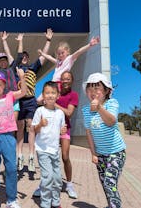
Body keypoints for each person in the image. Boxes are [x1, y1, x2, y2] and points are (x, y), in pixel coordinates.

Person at [10, 28, 53, 172]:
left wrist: (48, 40)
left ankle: (31, 156)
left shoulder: (32, 68)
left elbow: (43, 58)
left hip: (31, 101)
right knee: (20, 128)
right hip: (19, 101)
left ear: (28, 59)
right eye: (22, 56)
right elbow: (11, 56)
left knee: (32, 126)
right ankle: (19, 155)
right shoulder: (16, 69)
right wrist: (12, 41)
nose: (23, 58)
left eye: (25, 56)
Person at [82, 72, 126, 208]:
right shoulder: (85, 110)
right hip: (101, 154)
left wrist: (99, 108)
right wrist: (93, 153)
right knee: (105, 184)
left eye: (97, 88)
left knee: (109, 183)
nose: (93, 92)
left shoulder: (112, 103)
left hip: (116, 152)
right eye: (89, 88)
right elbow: (89, 133)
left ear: (106, 91)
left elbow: (111, 121)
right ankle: (111, 204)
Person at [0, 69, 26, 208]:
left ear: (4, 85)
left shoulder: (10, 96)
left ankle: (11, 200)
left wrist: (22, 77)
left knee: (11, 168)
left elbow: (24, 92)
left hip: (8, 136)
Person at [32, 81, 67, 208]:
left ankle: (56, 202)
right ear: (43, 95)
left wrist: (63, 131)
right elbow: (34, 129)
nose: (50, 95)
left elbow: (62, 129)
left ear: (58, 95)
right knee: (47, 178)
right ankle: (46, 204)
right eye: (47, 93)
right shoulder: (39, 111)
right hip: (42, 149)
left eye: (53, 93)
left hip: (54, 150)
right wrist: (40, 124)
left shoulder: (60, 113)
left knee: (57, 179)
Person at [37, 35, 100, 104]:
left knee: (50, 100)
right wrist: (42, 54)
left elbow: (79, 52)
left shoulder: (69, 59)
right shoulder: (58, 62)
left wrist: (89, 45)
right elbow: (50, 57)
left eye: (62, 53)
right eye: (59, 54)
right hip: (52, 83)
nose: (60, 55)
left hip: (60, 83)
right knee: (39, 100)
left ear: (67, 52)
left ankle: (54, 105)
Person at [55, 71, 79, 199]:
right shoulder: (55, 92)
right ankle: (45, 183)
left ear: (72, 81)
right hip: (52, 129)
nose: (65, 81)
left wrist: (54, 104)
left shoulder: (73, 95)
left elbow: (69, 113)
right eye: (63, 79)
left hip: (65, 128)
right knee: (48, 157)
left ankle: (69, 184)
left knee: (65, 156)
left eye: (68, 79)